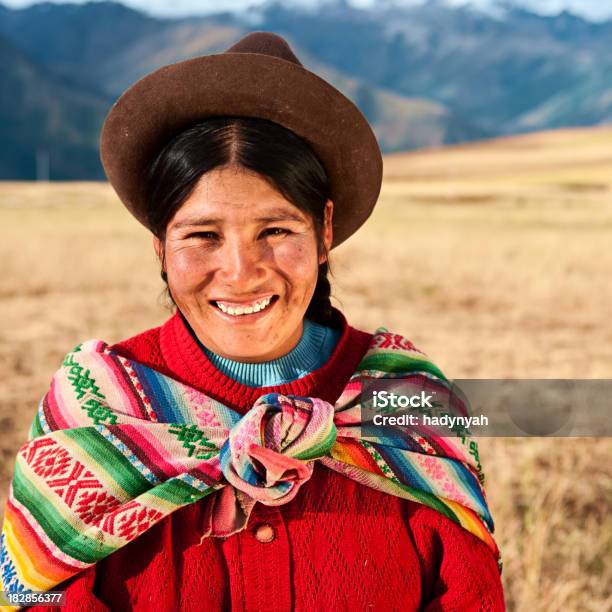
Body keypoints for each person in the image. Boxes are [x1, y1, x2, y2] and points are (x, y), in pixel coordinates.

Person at [0, 32, 505, 611]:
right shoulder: (95, 408)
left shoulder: (410, 403)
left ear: (325, 231)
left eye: (276, 231)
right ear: (160, 246)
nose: (240, 274)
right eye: (203, 236)